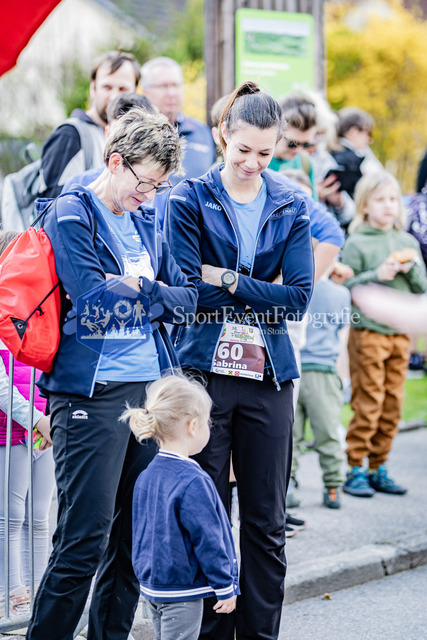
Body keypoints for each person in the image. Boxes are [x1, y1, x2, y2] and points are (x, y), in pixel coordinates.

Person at [25, 108, 197, 640]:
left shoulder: (146, 220)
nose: (150, 196)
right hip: (90, 396)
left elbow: (188, 299)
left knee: (132, 542)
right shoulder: (71, 212)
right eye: (146, 183)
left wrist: (140, 290)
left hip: (147, 394)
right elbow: (96, 306)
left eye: (160, 186)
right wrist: (151, 296)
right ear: (116, 161)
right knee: (83, 540)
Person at [166, 81, 314, 640]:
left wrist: (227, 278)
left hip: (268, 376)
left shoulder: (291, 204)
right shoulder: (188, 199)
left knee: (266, 522)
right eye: (243, 149)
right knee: (206, 516)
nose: (252, 162)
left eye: (265, 153)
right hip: (204, 375)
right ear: (221, 135)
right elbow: (186, 291)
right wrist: (260, 288)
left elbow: (298, 297)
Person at [123, 374, 238, 640]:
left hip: (154, 585)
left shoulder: (147, 474)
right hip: (182, 590)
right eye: (207, 422)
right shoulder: (193, 481)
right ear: (193, 426)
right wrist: (225, 585)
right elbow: (208, 538)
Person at [341, 171, 427, 498]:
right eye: (380, 200)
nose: (389, 205)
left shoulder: (407, 243)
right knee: (369, 401)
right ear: (364, 206)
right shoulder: (357, 242)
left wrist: (411, 267)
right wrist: (377, 274)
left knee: (392, 403)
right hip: (368, 333)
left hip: (400, 336)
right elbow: (346, 287)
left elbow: (421, 288)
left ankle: (379, 466)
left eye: (393, 199)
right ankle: (355, 467)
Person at [0, 232, 54, 619]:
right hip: (12, 431)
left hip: (45, 430)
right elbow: (3, 388)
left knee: (39, 516)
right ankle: (11, 592)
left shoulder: (40, 312)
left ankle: (38, 591)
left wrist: (49, 420)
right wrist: (37, 419)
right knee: (10, 516)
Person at [291, 264, 352, 509]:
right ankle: (333, 485)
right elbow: (343, 339)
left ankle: (287, 484)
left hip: (291, 367)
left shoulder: (291, 287)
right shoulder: (340, 293)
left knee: (290, 435)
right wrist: (343, 379)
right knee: (327, 433)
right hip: (324, 370)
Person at [41, 50, 141, 199]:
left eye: (123, 89)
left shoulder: (132, 138)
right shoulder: (70, 135)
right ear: (93, 88)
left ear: (135, 91)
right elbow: (52, 203)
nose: (114, 96)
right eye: (107, 87)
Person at [141, 57, 216, 182]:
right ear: (145, 92)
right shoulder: (136, 133)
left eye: (175, 85)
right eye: (163, 86)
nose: (171, 93)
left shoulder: (202, 132)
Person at [269, 92, 319, 197]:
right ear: (276, 131)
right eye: (292, 144)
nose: (299, 150)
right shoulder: (256, 164)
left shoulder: (305, 162)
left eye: (306, 144)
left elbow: (313, 205)